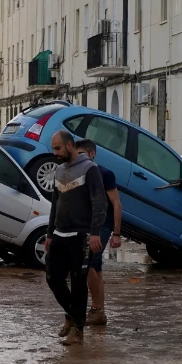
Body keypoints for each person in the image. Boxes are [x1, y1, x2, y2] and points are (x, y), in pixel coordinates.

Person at [44, 130, 107, 345]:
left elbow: (100, 203)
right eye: (53, 149)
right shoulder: (59, 170)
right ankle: (72, 315)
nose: (55, 153)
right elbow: (55, 205)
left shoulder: (90, 169)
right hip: (60, 235)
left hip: (81, 237)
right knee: (53, 278)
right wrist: (49, 233)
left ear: (69, 145)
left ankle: (78, 331)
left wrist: (95, 233)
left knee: (79, 283)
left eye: (58, 148)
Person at [75, 139, 122, 326]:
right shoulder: (78, 173)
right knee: (96, 268)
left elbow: (116, 203)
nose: (78, 158)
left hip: (103, 225)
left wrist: (116, 233)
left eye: (82, 154)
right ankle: (100, 312)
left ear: (92, 153)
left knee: (89, 266)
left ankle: (95, 309)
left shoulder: (104, 173)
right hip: (87, 226)